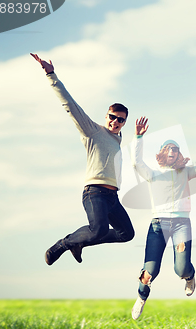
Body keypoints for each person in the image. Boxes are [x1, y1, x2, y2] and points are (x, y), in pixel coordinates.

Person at [31, 53, 135, 266]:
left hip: (112, 197)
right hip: (94, 192)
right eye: (112, 117)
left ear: (124, 123)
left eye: (120, 120)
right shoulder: (93, 131)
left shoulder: (118, 140)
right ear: (106, 116)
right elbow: (70, 105)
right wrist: (51, 75)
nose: (115, 122)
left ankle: (81, 243)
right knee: (99, 230)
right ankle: (64, 244)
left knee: (126, 234)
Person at [131, 118, 196, 320]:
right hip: (158, 225)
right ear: (162, 153)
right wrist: (138, 137)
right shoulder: (153, 174)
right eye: (168, 149)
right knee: (150, 270)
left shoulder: (185, 172)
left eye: (175, 149)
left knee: (181, 268)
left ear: (179, 154)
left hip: (181, 224)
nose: (172, 151)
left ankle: (190, 276)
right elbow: (136, 162)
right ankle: (141, 297)